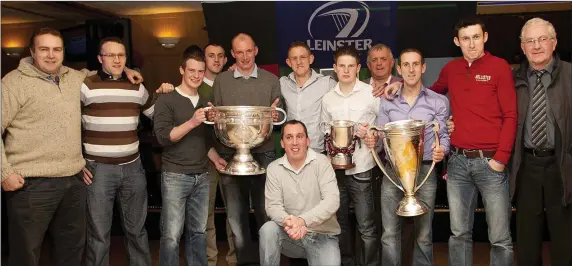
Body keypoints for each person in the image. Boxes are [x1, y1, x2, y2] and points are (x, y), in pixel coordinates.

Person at [381, 17, 517, 265]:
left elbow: (511, 115)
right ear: (457, 42)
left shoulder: (500, 67)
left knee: (499, 237)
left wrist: (501, 159)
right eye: (465, 39)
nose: (471, 43)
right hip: (458, 164)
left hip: (491, 162)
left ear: (485, 37)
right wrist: (399, 83)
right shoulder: (451, 70)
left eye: (476, 37)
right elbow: (427, 93)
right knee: (459, 234)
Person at [1, 27, 141, 266]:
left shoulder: (75, 78)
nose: (51, 55)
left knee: (72, 250)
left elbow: (104, 68)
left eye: (56, 49)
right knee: (26, 254)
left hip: (73, 182)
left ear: (63, 52)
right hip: (31, 184)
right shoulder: (13, 83)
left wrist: (126, 68)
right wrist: (4, 172)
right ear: (32, 51)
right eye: (44, 49)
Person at [447, 17, 572, 266]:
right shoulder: (515, 76)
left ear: (554, 42)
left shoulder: (568, 74)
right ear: (522, 47)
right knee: (526, 237)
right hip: (524, 165)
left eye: (542, 40)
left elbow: (509, 115)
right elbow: (435, 94)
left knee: (562, 237)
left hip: (560, 164)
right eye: (530, 41)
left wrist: (500, 158)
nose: (536, 46)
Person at [366, 48, 449, 266]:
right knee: (389, 233)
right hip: (393, 173)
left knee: (424, 235)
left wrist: (443, 150)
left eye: (415, 64)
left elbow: (444, 136)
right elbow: (380, 134)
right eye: (406, 65)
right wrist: (373, 138)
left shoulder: (438, 102)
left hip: (425, 171)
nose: (411, 69)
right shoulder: (387, 102)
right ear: (399, 68)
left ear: (423, 68)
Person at [211, 32, 283, 265]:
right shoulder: (221, 81)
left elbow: (283, 115)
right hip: (229, 155)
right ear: (232, 54)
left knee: (265, 213)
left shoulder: (271, 80)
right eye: (239, 52)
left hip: (264, 154)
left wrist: (275, 116)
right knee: (236, 217)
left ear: (256, 51)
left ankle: (267, 261)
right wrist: (212, 115)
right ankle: (244, 261)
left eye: (248, 51)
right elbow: (215, 117)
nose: (244, 57)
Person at [81, 37, 154, 266]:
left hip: (133, 168)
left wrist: (166, 92)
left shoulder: (137, 85)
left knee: (137, 232)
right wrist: (78, 162)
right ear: (99, 58)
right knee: (99, 236)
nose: (116, 59)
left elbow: (157, 115)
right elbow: (67, 125)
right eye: (110, 55)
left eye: (121, 55)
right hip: (97, 171)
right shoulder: (86, 85)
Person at [153, 51, 227, 266]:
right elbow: (165, 137)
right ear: (181, 70)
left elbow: (203, 142)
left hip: (203, 176)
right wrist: (193, 121)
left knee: (198, 232)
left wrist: (215, 159)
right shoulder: (166, 99)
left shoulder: (205, 102)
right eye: (191, 70)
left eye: (200, 71)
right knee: (171, 235)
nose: (196, 75)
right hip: (175, 176)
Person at [321, 45, 379, 266]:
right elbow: (325, 132)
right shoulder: (327, 99)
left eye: (351, 66)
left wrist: (372, 133)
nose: (346, 70)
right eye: (341, 66)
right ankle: (346, 262)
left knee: (366, 226)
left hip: (363, 168)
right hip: (336, 171)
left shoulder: (371, 94)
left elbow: (381, 126)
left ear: (358, 68)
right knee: (341, 223)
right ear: (334, 68)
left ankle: (370, 264)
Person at [259, 120, 341, 266]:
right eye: (289, 137)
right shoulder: (274, 169)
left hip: (322, 236)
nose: (295, 142)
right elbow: (273, 206)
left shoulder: (322, 163)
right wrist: (289, 222)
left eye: (300, 136)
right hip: (291, 235)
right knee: (268, 230)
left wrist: (302, 221)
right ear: (282, 143)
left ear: (308, 141)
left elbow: (332, 201)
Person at [280, 41, 336, 153]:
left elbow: (347, 92)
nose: (299, 62)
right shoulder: (282, 83)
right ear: (288, 62)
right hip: (292, 151)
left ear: (311, 59)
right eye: (294, 58)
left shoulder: (327, 84)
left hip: (318, 151)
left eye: (302, 57)